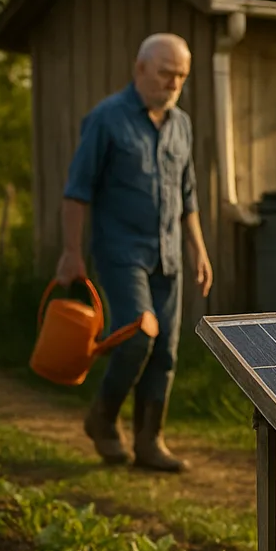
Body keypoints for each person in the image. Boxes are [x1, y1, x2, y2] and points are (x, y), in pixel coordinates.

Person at [57, 32, 213, 472]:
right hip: (121, 251)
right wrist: (71, 252)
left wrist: (198, 250)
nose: (173, 83)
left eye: (181, 76)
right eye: (166, 73)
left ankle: (150, 442)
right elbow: (76, 192)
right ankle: (103, 418)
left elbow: (188, 195)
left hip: (169, 256)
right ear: (140, 68)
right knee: (138, 336)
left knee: (165, 349)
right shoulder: (106, 119)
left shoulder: (181, 124)